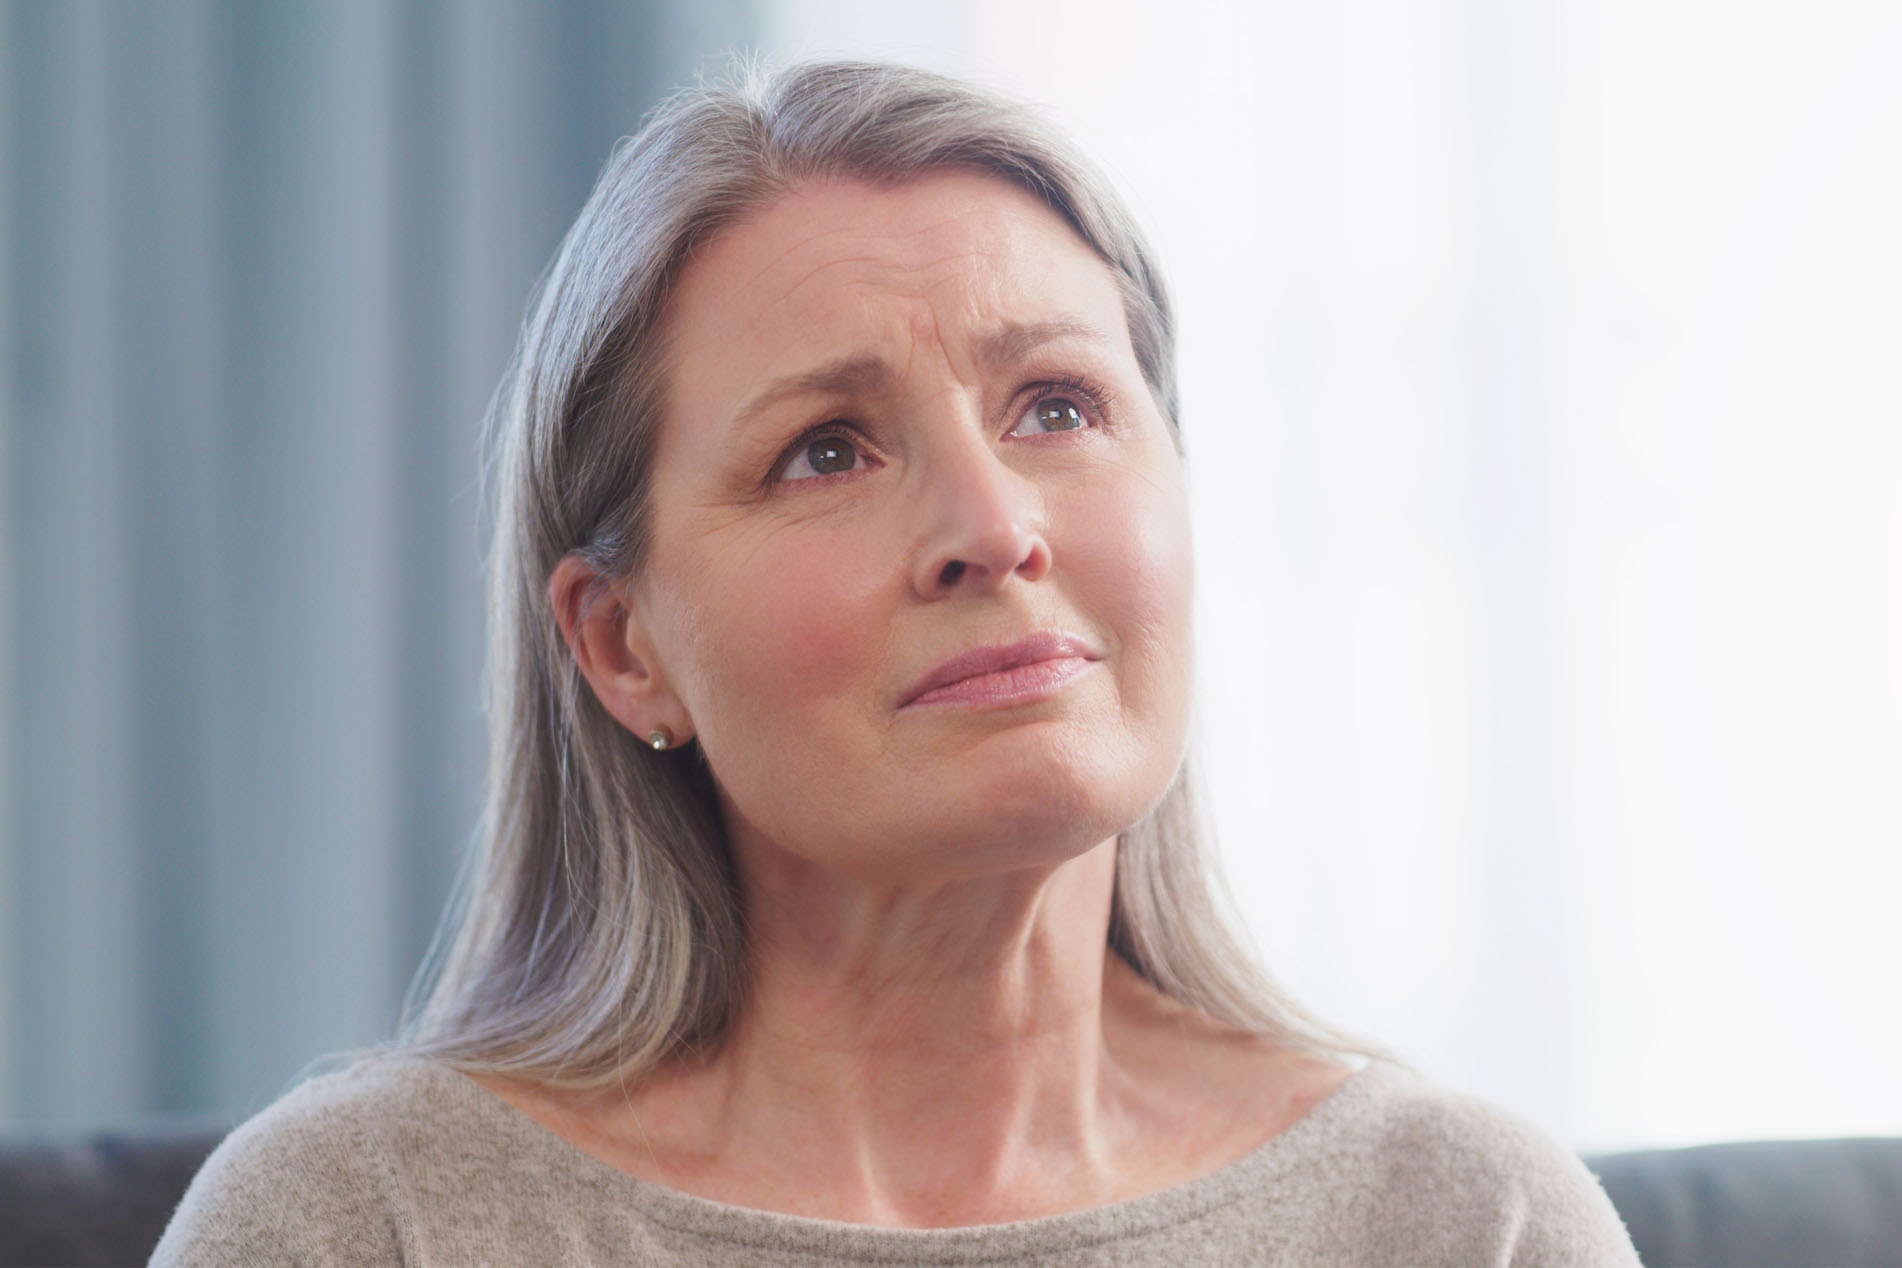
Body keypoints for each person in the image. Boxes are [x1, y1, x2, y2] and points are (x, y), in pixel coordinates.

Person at [152, 60, 1638, 1265]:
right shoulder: (356, 1225)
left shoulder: (1462, 1221)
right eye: (825, 451)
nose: (991, 530)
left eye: (1056, 407)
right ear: (623, 648)